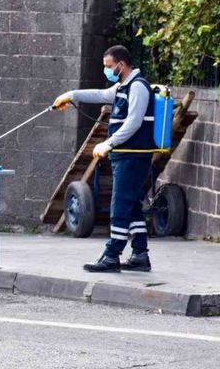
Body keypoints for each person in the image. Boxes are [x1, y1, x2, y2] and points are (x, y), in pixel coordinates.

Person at [52, 45, 154, 273]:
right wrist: (71, 96)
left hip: (133, 156)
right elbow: (100, 94)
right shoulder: (122, 87)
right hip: (124, 155)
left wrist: (109, 142)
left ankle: (111, 255)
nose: (106, 70)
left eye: (109, 66)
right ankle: (140, 255)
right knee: (132, 206)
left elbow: (134, 122)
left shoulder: (138, 87)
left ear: (121, 65)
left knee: (119, 205)